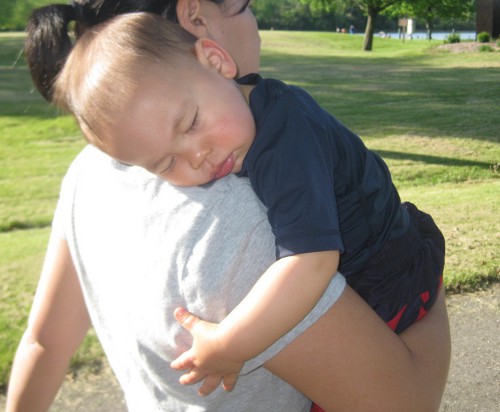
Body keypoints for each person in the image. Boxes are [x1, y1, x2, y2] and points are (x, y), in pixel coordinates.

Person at [6, 1, 451, 411]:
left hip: (388, 270)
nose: (197, 156)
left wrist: (228, 345)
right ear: (195, 16)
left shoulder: (89, 174)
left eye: (193, 123)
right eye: (165, 164)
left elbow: (45, 342)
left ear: (215, 60)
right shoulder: (240, 222)